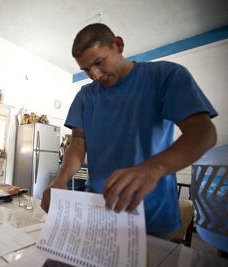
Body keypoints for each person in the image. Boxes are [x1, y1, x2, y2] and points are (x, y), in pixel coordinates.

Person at [41, 23, 218, 237]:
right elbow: (78, 145)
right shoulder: (85, 96)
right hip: (100, 212)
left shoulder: (165, 76)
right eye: (86, 70)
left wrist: (152, 168)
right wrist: (61, 179)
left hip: (152, 215)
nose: (95, 75)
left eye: (99, 62)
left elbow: (203, 132)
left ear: (118, 45)